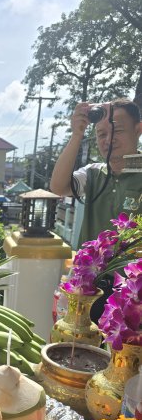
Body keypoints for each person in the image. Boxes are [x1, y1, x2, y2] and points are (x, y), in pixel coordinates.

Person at [50, 98, 142, 321]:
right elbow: (58, 186)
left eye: (117, 130)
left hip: (133, 293)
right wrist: (76, 135)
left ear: (138, 130)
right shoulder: (93, 174)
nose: (108, 139)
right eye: (101, 134)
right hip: (89, 286)